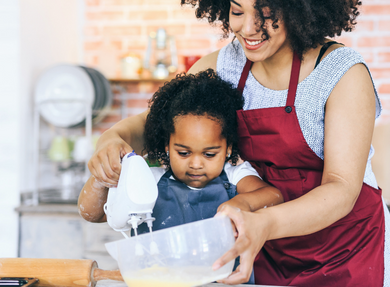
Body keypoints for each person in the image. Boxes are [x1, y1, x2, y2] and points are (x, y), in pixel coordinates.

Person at [87, 0, 390, 286]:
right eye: (237, 11)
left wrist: (264, 222)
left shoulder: (340, 74)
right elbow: (154, 126)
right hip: (261, 247)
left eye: (266, 14)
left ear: (299, 6)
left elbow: (342, 189)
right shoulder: (223, 67)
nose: (248, 29)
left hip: (347, 251)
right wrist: (111, 138)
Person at [78, 71, 283, 281]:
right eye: (183, 153)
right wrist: (104, 175)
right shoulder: (149, 180)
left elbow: (273, 196)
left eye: (209, 154)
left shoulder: (234, 174)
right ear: (167, 146)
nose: (195, 164)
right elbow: (92, 214)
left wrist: (241, 203)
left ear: (228, 149)